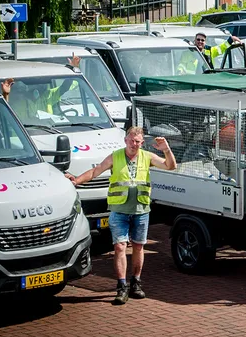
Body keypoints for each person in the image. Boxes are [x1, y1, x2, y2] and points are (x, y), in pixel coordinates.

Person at [66, 127, 177, 305]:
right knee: (119, 247)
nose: (135, 144)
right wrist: (76, 180)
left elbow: (171, 166)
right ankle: (121, 286)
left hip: (141, 210)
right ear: (126, 140)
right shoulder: (115, 156)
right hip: (119, 210)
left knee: (139, 247)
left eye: (138, 141)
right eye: (132, 140)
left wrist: (166, 149)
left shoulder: (147, 156)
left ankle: (136, 283)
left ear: (142, 142)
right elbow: (95, 171)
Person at [1, 54, 81, 120]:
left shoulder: (47, 96)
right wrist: (6, 95)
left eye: (40, 83)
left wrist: (72, 68)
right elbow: (5, 114)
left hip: (49, 131)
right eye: (34, 84)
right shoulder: (19, 104)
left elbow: (64, 88)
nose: (37, 88)